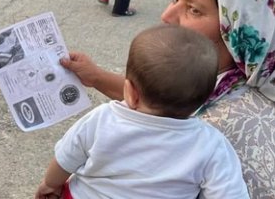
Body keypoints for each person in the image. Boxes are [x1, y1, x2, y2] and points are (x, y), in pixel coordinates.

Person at [60, 0, 275, 197]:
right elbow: (161, 98)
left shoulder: (243, 130)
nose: (166, 16)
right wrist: (95, 76)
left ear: (243, 27)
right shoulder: (218, 81)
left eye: (193, 10)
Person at [36, 24, 248, 199]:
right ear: (204, 97)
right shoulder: (212, 145)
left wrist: (50, 185)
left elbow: (65, 158)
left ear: (130, 91)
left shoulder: (102, 118)